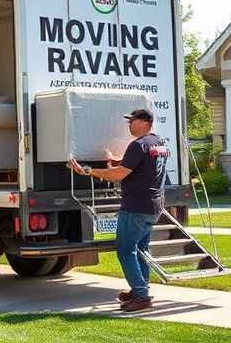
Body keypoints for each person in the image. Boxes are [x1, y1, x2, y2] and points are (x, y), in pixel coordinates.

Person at [69, 108, 168, 312]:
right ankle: (140, 288)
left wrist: (87, 170)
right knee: (141, 250)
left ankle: (141, 296)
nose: (129, 125)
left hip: (136, 207)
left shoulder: (137, 145)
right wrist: (115, 162)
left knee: (125, 250)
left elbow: (118, 175)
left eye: (131, 121)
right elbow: (139, 167)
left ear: (143, 122)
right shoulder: (159, 143)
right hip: (154, 205)